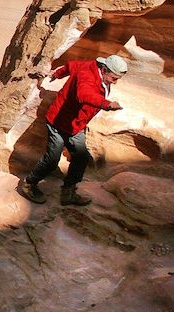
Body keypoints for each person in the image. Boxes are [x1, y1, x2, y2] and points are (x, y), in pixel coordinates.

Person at [19, 54, 127, 206]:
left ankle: (68, 192)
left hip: (76, 125)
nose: (114, 82)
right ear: (104, 70)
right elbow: (84, 94)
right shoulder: (87, 75)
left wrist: (58, 74)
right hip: (58, 122)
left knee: (81, 158)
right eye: (113, 78)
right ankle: (29, 184)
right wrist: (106, 104)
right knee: (52, 159)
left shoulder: (91, 67)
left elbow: (71, 66)